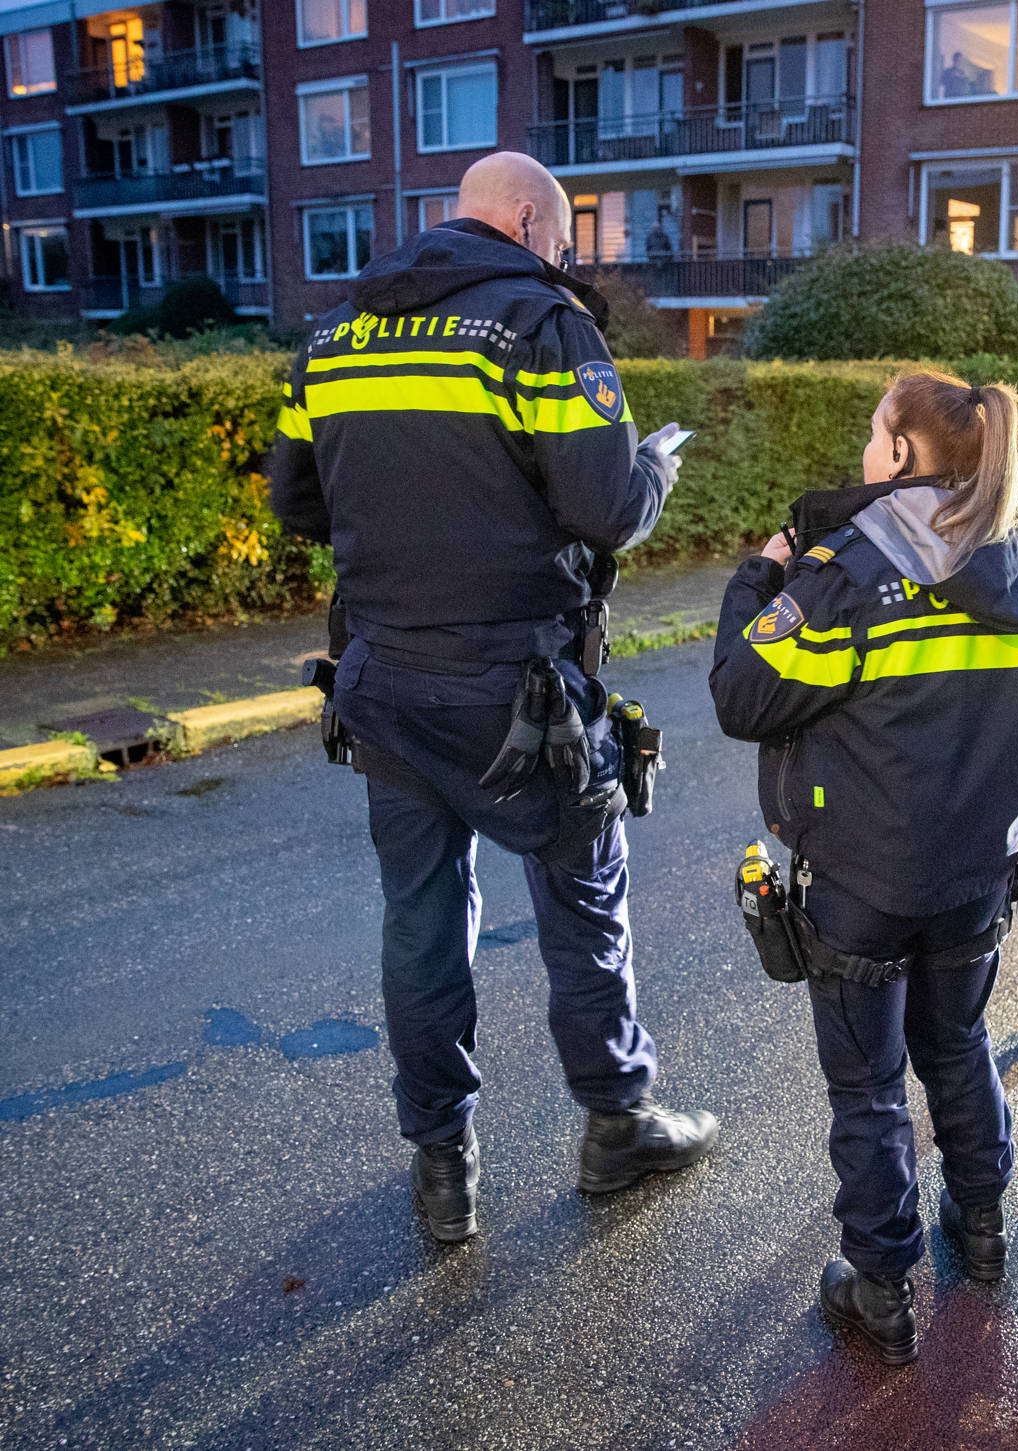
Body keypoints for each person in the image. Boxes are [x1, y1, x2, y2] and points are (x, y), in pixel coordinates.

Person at [269, 151, 718, 1244]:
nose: (564, 260)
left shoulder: (335, 335)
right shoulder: (540, 324)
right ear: (527, 223)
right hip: (519, 695)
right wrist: (654, 467)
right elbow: (605, 507)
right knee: (582, 895)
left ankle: (443, 1166)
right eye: (562, 243)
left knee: (422, 920)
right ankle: (618, 1124)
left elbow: (296, 504)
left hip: (380, 684)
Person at [709, 370, 1018, 1364]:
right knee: (957, 1048)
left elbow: (743, 694)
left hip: (861, 887)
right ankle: (984, 1228)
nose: (867, 451)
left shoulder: (848, 574)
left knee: (868, 1085)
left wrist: (756, 578)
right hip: (975, 884)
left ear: (907, 455)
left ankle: (878, 1285)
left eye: (878, 434)